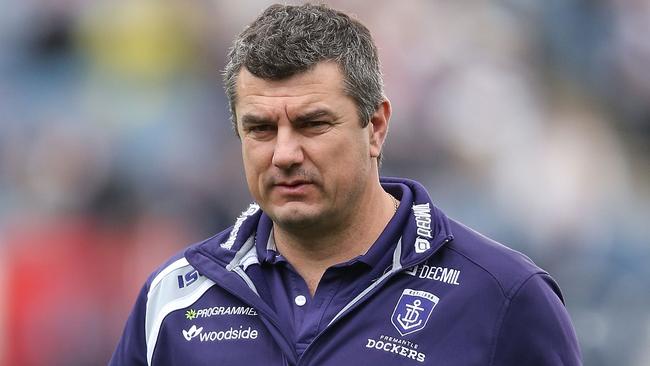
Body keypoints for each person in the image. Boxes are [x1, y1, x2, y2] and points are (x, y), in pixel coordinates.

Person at [109, 4, 582, 365]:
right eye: (260, 129)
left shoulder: (502, 296)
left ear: (375, 127)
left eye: (313, 124)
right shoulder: (173, 299)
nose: (285, 154)